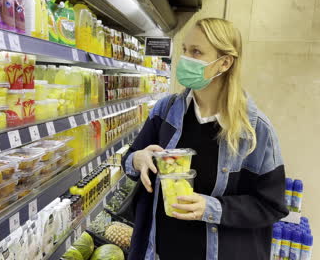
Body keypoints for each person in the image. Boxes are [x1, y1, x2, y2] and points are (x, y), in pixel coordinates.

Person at [122, 18, 289, 260]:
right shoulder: (165, 112)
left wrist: (212, 208)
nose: (185, 60)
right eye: (185, 50)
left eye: (196, 52)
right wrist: (137, 159)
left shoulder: (254, 131)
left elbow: (271, 205)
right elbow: (130, 160)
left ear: (224, 63)